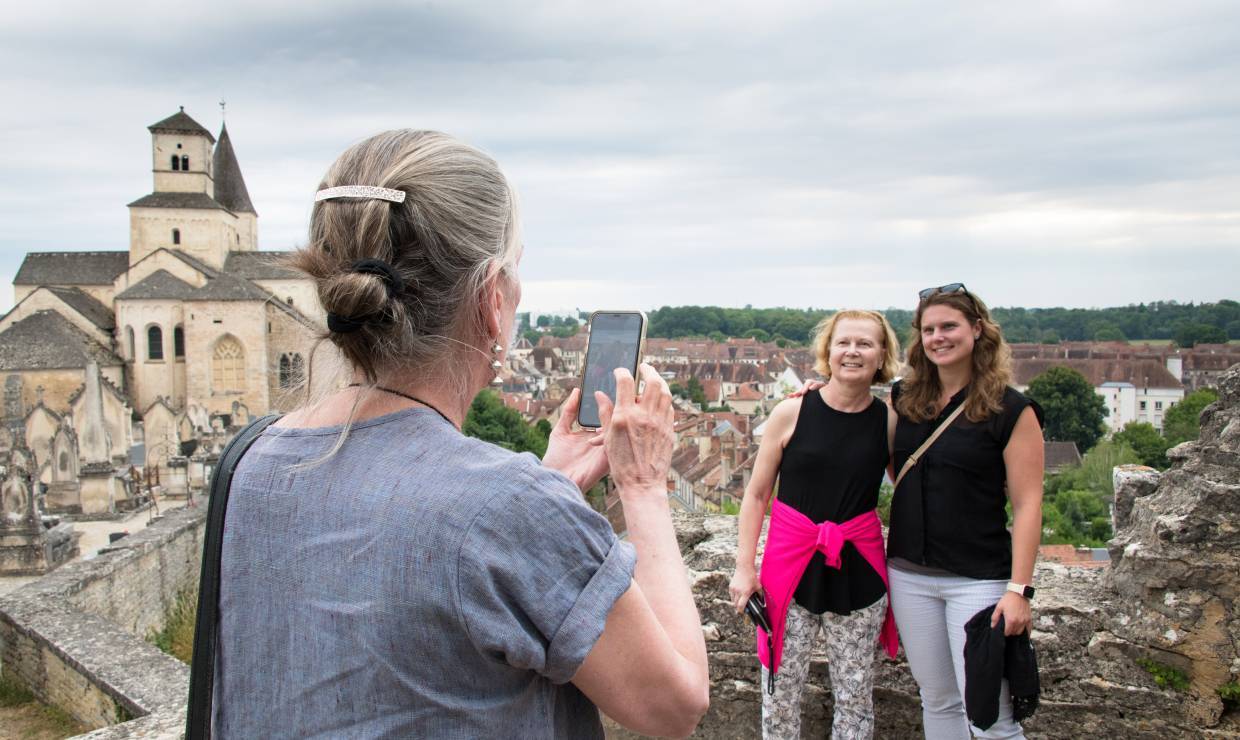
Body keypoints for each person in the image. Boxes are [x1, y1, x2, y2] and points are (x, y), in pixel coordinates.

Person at [209, 130, 709, 738]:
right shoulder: (510, 510)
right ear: (491, 299)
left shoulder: (250, 460)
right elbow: (676, 706)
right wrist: (644, 483)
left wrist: (550, 485)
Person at [729, 310, 902, 740]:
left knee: (855, 695)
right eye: (844, 342)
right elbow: (755, 495)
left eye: (865, 343)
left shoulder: (891, 422)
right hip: (790, 567)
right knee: (780, 695)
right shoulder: (790, 412)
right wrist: (743, 567)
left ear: (882, 355)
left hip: (857, 567)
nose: (853, 351)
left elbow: (911, 487)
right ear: (828, 350)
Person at [886, 284, 1044, 739]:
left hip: (979, 582)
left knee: (991, 717)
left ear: (977, 329)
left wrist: (1019, 590)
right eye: (929, 329)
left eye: (949, 326)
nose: (938, 337)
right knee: (939, 702)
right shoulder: (904, 400)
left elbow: (1029, 503)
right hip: (909, 575)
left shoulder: (1010, 410)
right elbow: (895, 469)